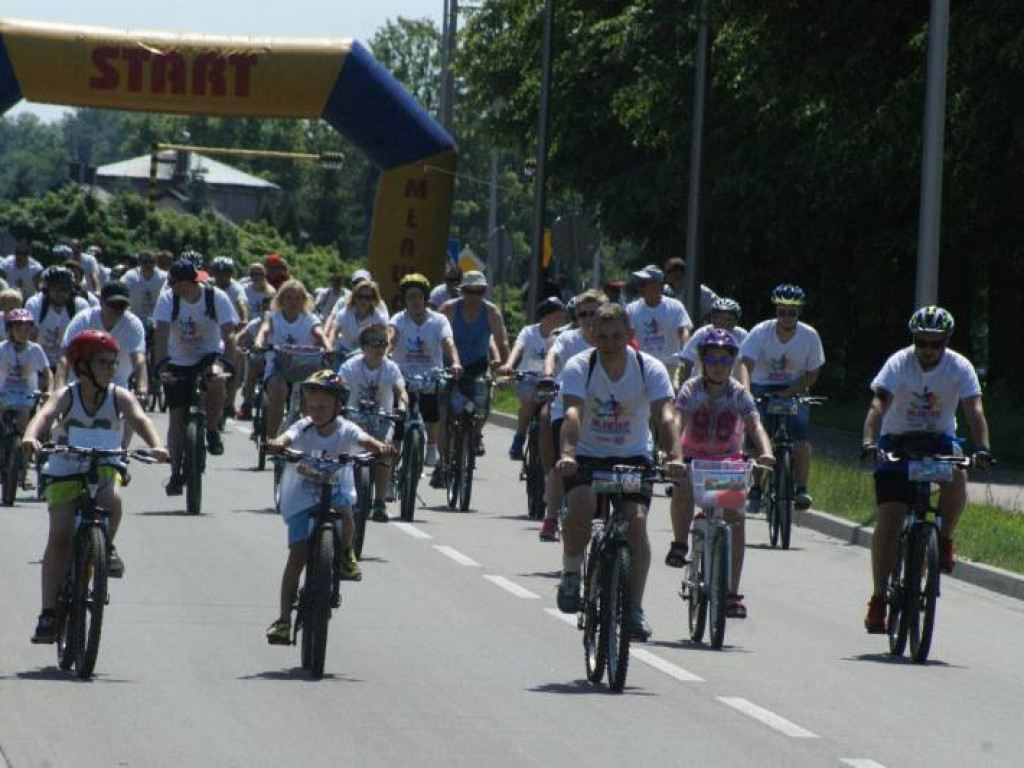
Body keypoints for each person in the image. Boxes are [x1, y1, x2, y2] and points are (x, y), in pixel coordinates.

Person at [24, 330, 169, 644]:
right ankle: (49, 612)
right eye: (102, 362)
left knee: (110, 498)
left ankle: (106, 546)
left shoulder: (119, 395)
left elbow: (139, 418)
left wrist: (157, 445)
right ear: (83, 366)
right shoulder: (68, 394)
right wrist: (31, 436)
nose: (110, 368)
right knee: (60, 536)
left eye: (113, 363)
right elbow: (45, 414)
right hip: (65, 465)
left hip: (105, 462)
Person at [859, 306, 992, 633]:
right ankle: (879, 598)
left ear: (946, 341)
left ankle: (943, 539)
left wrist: (984, 448)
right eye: (922, 343)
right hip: (897, 439)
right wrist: (869, 442)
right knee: (889, 518)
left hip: (938, 439)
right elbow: (878, 404)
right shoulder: (898, 363)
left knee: (958, 472)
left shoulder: (959, 366)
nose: (928, 351)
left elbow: (974, 409)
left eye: (935, 344)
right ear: (914, 341)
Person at [555, 303, 684, 640]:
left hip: (632, 457)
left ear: (630, 335)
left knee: (636, 522)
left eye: (617, 336)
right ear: (592, 335)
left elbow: (666, 416)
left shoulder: (649, 368)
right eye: (603, 335)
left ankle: (634, 609)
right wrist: (568, 453)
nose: (610, 342)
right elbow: (572, 414)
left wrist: (675, 455)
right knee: (582, 504)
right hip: (588, 456)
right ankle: (571, 572)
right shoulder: (580, 366)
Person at [263, 369, 394, 645]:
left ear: (338, 406)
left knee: (347, 516)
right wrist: (276, 444)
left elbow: (365, 442)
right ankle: (284, 619)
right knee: (296, 556)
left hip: (336, 490)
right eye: (312, 406)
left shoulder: (346, 428)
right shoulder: (302, 427)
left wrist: (381, 447)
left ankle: (346, 554)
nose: (317, 411)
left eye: (323, 406)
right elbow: (285, 438)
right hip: (302, 495)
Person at [667, 329, 774, 619]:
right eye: (712, 359)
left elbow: (755, 425)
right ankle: (679, 543)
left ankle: (731, 593)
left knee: (736, 521)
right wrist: (674, 455)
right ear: (702, 361)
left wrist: (766, 452)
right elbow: (677, 421)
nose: (718, 365)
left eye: (725, 360)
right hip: (693, 458)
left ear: (732, 364)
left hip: (728, 462)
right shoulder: (691, 389)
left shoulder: (738, 392)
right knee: (683, 487)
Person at [153, 255, 238, 495]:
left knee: (214, 380)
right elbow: (160, 335)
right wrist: (161, 367)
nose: (176, 288)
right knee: (176, 417)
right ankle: (175, 474)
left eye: (180, 284)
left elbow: (229, 335)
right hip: (178, 359)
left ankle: (212, 429)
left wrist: (227, 366)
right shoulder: (168, 300)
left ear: (188, 283)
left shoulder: (215, 297)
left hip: (209, 354)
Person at [739, 284, 824, 511]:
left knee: (801, 438)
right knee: (757, 436)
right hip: (762, 385)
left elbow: (813, 373)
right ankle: (756, 487)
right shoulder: (760, 331)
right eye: (782, 312)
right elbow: (745, 363)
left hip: (794, 387)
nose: (787, 317)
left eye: (792, 313)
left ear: (799, 313)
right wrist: (746, 391)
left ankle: (802, 489)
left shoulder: (809, 335)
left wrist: (788, 392)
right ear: (776, 311)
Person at [536, 289, 606, 541]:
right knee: (561, 464)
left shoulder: (614, 340)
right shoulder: (568, 339)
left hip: (604, 414)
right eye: (582, 314)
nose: (588, 318)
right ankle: (551, 517)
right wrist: (547, 375)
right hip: (566, 411)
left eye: (593, 313)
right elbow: (552, 355)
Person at [437, 270, 509, 482]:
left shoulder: (491, 312)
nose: (475, 296)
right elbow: (436, 337)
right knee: (445, 417)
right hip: (450, 367)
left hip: (477, 366)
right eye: (470, 291)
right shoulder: (449, 309)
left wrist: (504, 369)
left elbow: (502, 342)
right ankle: (443, 462)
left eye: (480, 291)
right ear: (463, 291)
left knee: (483, 404)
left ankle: (475, 434)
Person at [388, 273, 461, 472]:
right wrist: (384, 353)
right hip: (402, 376)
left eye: (418, 296)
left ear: (425, 298)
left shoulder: (439, 320)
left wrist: (455, 362)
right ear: (404, 300)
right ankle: (391, 475)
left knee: (432, 411)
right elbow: (391, 338)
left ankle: (431, 446)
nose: (414, 301)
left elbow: (448, 342)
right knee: (398, 425)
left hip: (431, 376)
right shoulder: (398, 319)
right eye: (409, 296)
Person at [58, 284, 147, 447]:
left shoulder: (133, 324)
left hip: (116, 382)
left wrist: (142, 388)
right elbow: (64, 358)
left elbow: (139, 359)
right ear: (101, 302)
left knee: (132, 414)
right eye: (112, 304)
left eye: (122, 306)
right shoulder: (83, 319)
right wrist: (57, 388)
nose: (117, 310)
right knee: (63, 438)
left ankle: (122, 452)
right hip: (80, 381)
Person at [338, 323, 408, 521]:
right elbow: (340, 385)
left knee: (384, 451)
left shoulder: (391, 368)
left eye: (384, 344)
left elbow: (401, 391)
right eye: (375, 343)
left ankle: (379, 503)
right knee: (343, 453)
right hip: (354, 418)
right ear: (363, 346)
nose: (379, 348)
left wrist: (401, 407)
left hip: (382, 419)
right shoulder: (350, 366)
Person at [255, 279, 329, 440]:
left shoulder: (309, 318)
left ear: (303, 300)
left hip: (303, 367)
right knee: (280, 390)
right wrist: (259, 342)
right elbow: (264, 330)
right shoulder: (274, 317)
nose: (293, 302)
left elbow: (319, 333)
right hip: (278, 367)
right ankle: (272, 439)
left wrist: (328, 347)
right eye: (288, 297)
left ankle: (306, 440)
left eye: (297, 298)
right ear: (281, 299)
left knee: (309, 400)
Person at [499, 297, 566, 460]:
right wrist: (508, 364)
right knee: (529, 401)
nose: (564, 317)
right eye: (560, 313)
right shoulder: (529, 332)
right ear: (548, 315)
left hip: (551, 383)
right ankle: (519, 439)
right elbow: (518, 348)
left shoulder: (563, 335)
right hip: (529, 379)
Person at [625, 264, 693, 382]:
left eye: (644, 284)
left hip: (670, 364)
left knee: (671, 395)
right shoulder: (631, 309)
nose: (640, 288)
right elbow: (627, 336)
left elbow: (684, 331)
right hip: (643, 365)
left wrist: (686, 355)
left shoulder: (675, 306)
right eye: (640, 284)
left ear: (658, 285)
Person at [26, 266, 91, 372]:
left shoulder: (80, 306)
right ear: (47, 288)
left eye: (64, 289)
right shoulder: (35, 303)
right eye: (55, 288)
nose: (60, 293)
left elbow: (84, 339)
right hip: (39, 363)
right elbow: (30, 337)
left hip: (69, 363)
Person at [0, 309, 52, 440]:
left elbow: (48, 372)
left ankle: (21, 451)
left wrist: (50, 391)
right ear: (10, 330)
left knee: (24, 415)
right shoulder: (2, 349)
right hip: (5, 391)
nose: (23, 333)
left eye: (27, 329)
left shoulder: (35, 349)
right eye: (19, 329)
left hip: (27, 393)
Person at [679, 297, 748, 379]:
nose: (722, 322)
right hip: (702, 383)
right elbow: (687, 361)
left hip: (732, 386)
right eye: (717, 318)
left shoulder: (742, 335)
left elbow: (748, 363)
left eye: (727, 319)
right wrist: (685, 384)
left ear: (735, 321)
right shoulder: (702, 333)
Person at [326, 279, 388, 359]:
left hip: (367, 355)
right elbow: (333, 331)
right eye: (360, 297)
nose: (363, 301)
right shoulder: (346, 312)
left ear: (373, 300)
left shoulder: (379, 318)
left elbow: (385, 337)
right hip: (344, 352)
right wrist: (329, 348)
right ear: (354, 298)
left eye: (368, 298)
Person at [662, 257, 718, 322]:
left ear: (678, 272)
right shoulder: (665, 290)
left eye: (668, 271)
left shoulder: (699, 290)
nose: (665, 274)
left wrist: (701, 322)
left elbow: (718, 307)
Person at [120, 250, 167, 322]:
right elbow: (121, 290)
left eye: (151, 262)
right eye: (145, 262)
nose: (148, 265)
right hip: (134, 318)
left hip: (158, 319)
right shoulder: (131, 276)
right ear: (139, 262)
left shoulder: (163, 277)